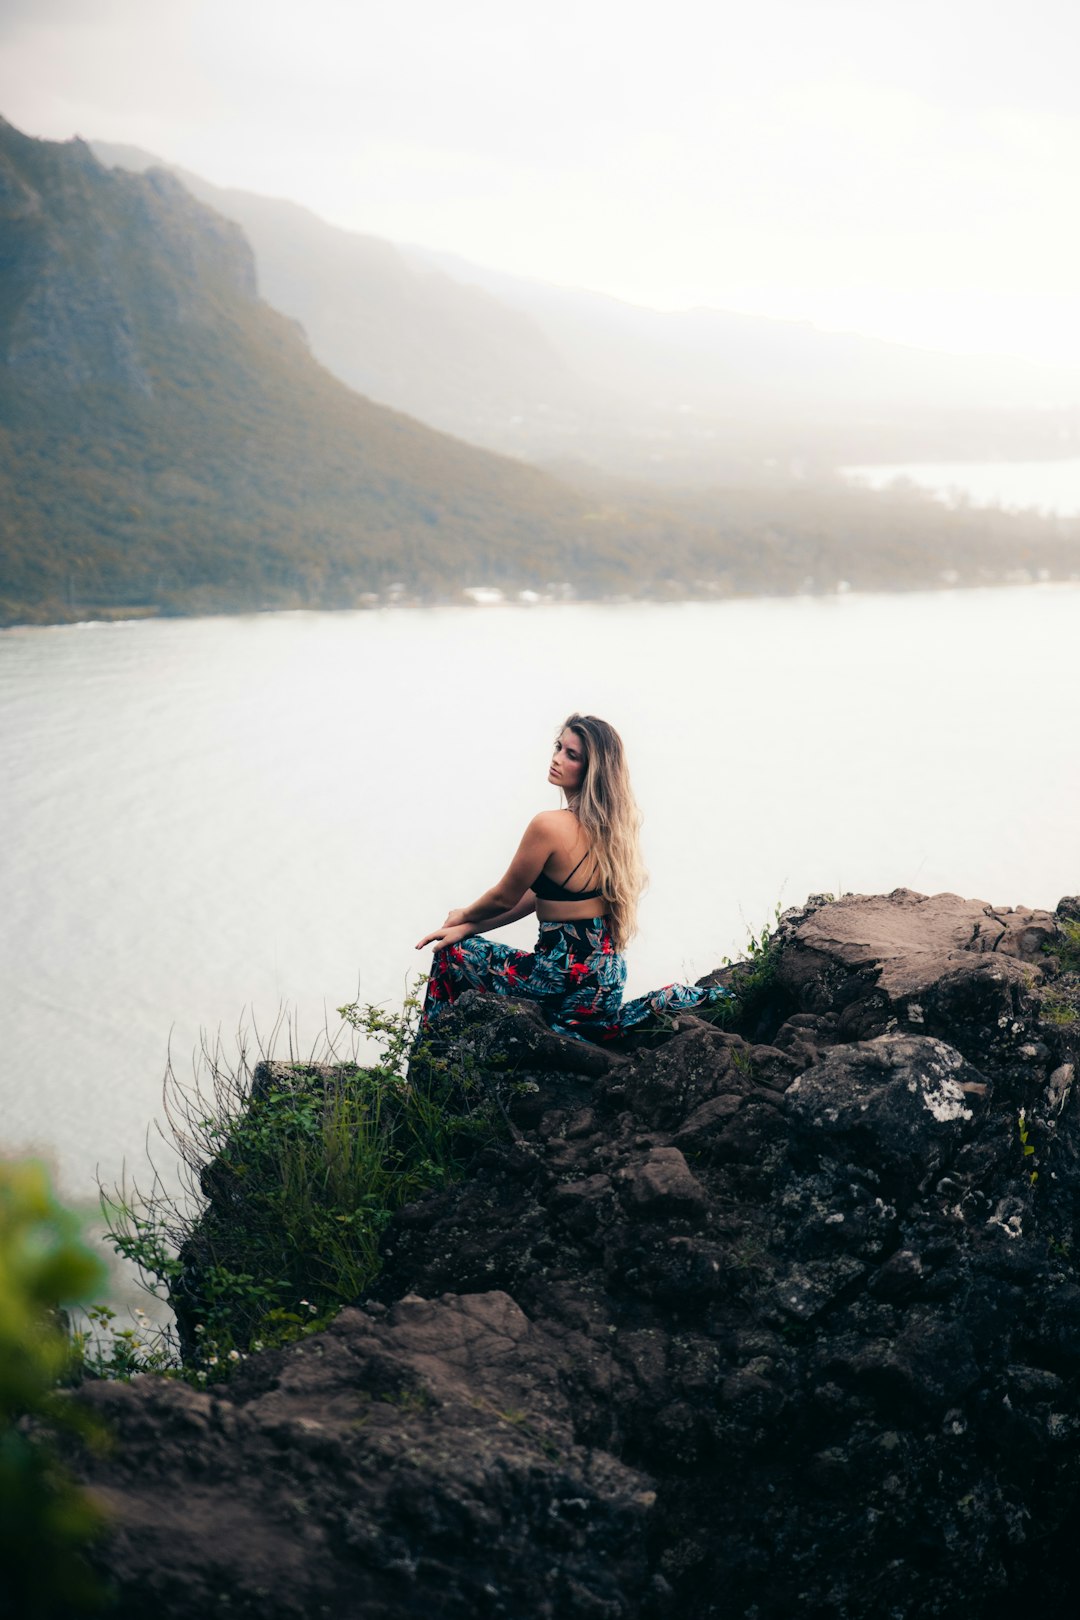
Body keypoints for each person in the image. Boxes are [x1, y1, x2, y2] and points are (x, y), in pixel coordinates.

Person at [415, 713, 731, 1042]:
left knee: (451, 956)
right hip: (605, 983)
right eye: (558, 747)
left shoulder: (549, 825)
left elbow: (503, 897)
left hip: (559, 979)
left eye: (571, 755)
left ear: (591, 769)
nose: (556, 759)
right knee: (460, 942)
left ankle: (434, 1069)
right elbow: (537, 897)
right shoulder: (616, 831)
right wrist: (468, 928)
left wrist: (461, 915)